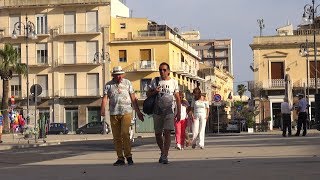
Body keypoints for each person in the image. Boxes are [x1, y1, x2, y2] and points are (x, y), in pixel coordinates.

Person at [101, 66, 144, 166]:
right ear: (113, 75)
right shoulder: (108, 85)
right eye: (117, 75)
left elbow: (133, 98)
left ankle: (129, 156)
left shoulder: (128, 83)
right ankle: (120, 158)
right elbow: (105, 99)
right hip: (114, 113)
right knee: (116, 137)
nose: (119, 76)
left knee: (125, 134)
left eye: (120, 74)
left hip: (126, 112)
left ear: (122, 75)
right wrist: (102, 109)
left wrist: (138, 112)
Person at [147, 62, 181, 164]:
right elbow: (148, 94)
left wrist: (179, 112)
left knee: (167, 133)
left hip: (169, 111)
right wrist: (154, 92)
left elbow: (178, 98)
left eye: (164, 70)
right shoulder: (155, 81)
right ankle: (162, 152)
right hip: (157, 111)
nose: (162, 71)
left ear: (169, 71)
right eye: (160, 70)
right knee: (158, 134)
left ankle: (165, 155)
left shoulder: (173, 82)